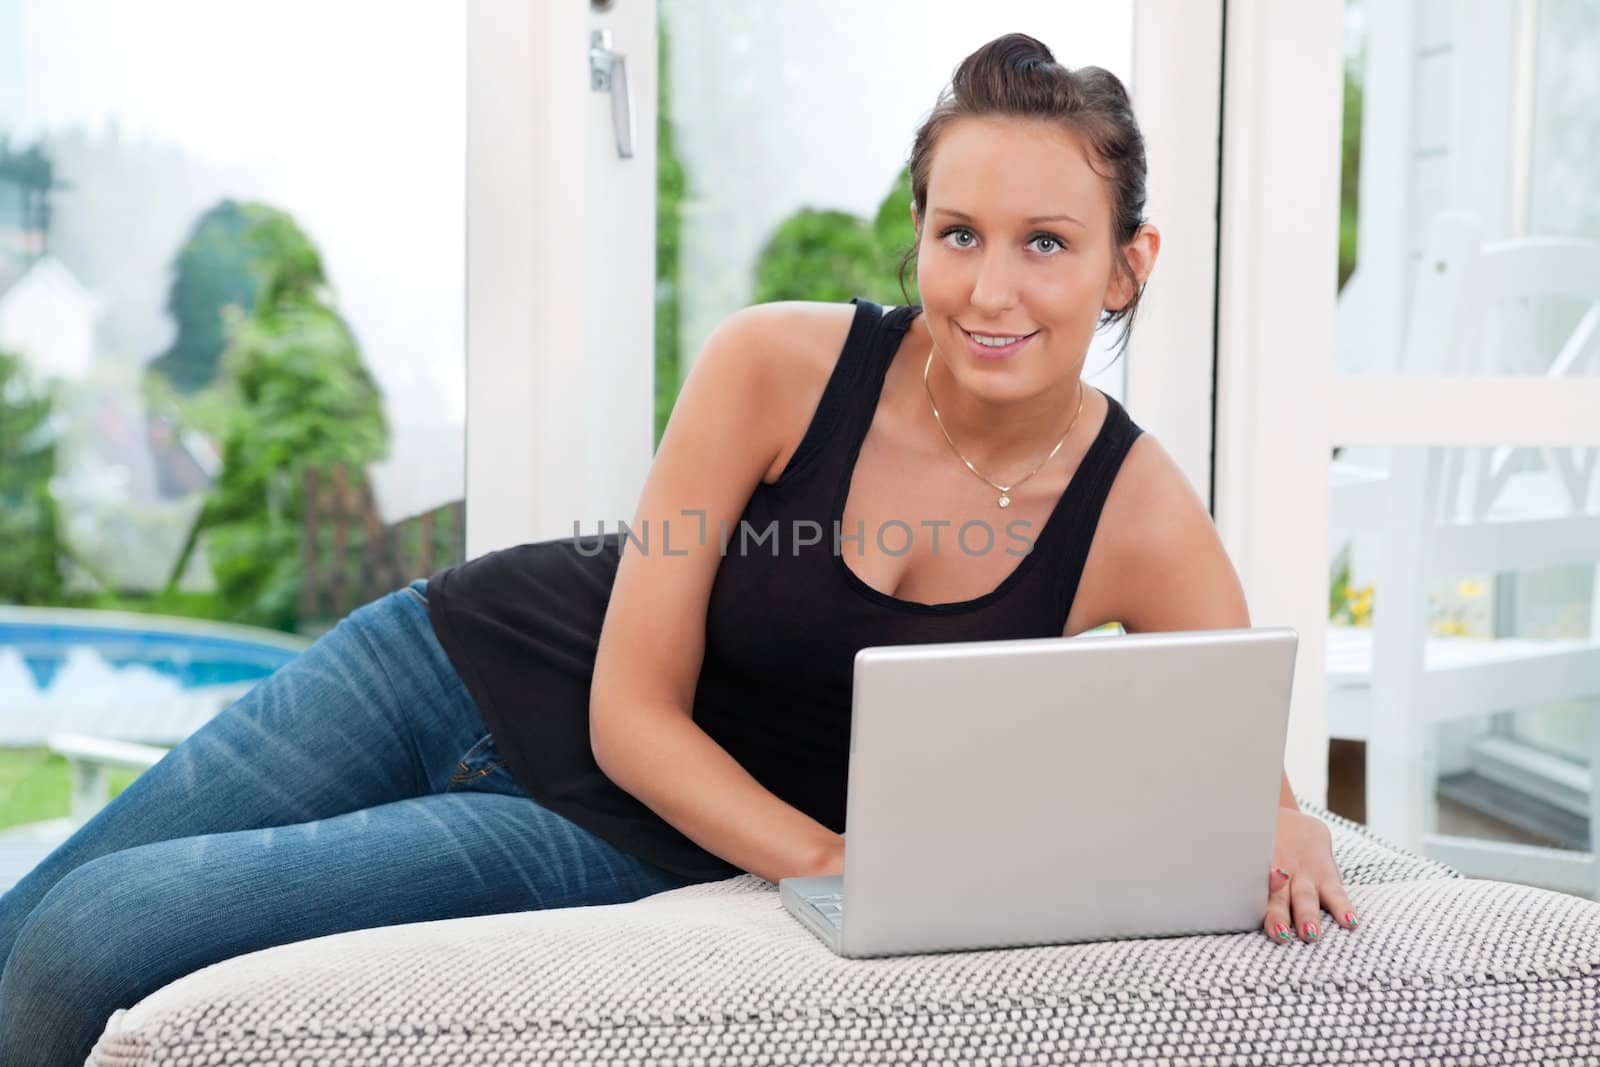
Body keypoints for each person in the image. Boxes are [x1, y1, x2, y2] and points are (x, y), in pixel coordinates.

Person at [0, 32, 1355, 1063]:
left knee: (94, 936)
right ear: (922, 236)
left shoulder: (1139, 510)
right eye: (959, 235)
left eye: (1046, 244)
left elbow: (1237, 761)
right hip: (446, 661)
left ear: (1129, 263)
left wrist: (1290, 829)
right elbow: (633, 703)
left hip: (624, 832)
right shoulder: (774, 360)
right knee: (25, 931)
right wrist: (833, 864)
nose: (990, 290)